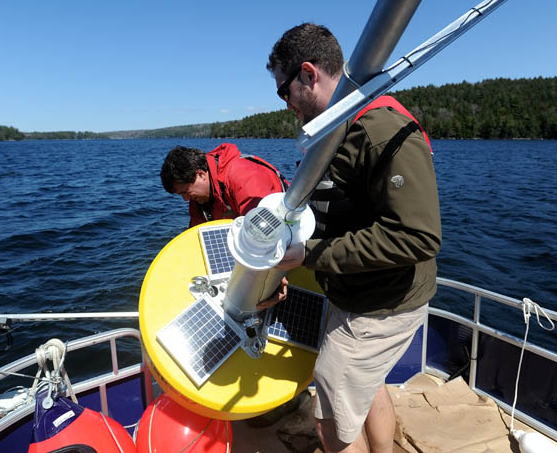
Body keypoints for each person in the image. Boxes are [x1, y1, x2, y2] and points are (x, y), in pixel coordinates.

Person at [260, 23, 442, 453]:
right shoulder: (336, 128)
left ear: (308, 74)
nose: (285, 104)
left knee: (331, 421)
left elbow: (418, 236)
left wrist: (310, 253)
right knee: (366, 387)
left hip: (380, 307)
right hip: (352, 294)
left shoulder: (379, 131)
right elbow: (332, 211)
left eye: (283, 91)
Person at [160, 143, 288, 228]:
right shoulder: (199, 197)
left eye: (185, 192)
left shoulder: (242, 176)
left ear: (201, 175)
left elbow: (264, 229)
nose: (186, 199)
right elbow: (197, 232)